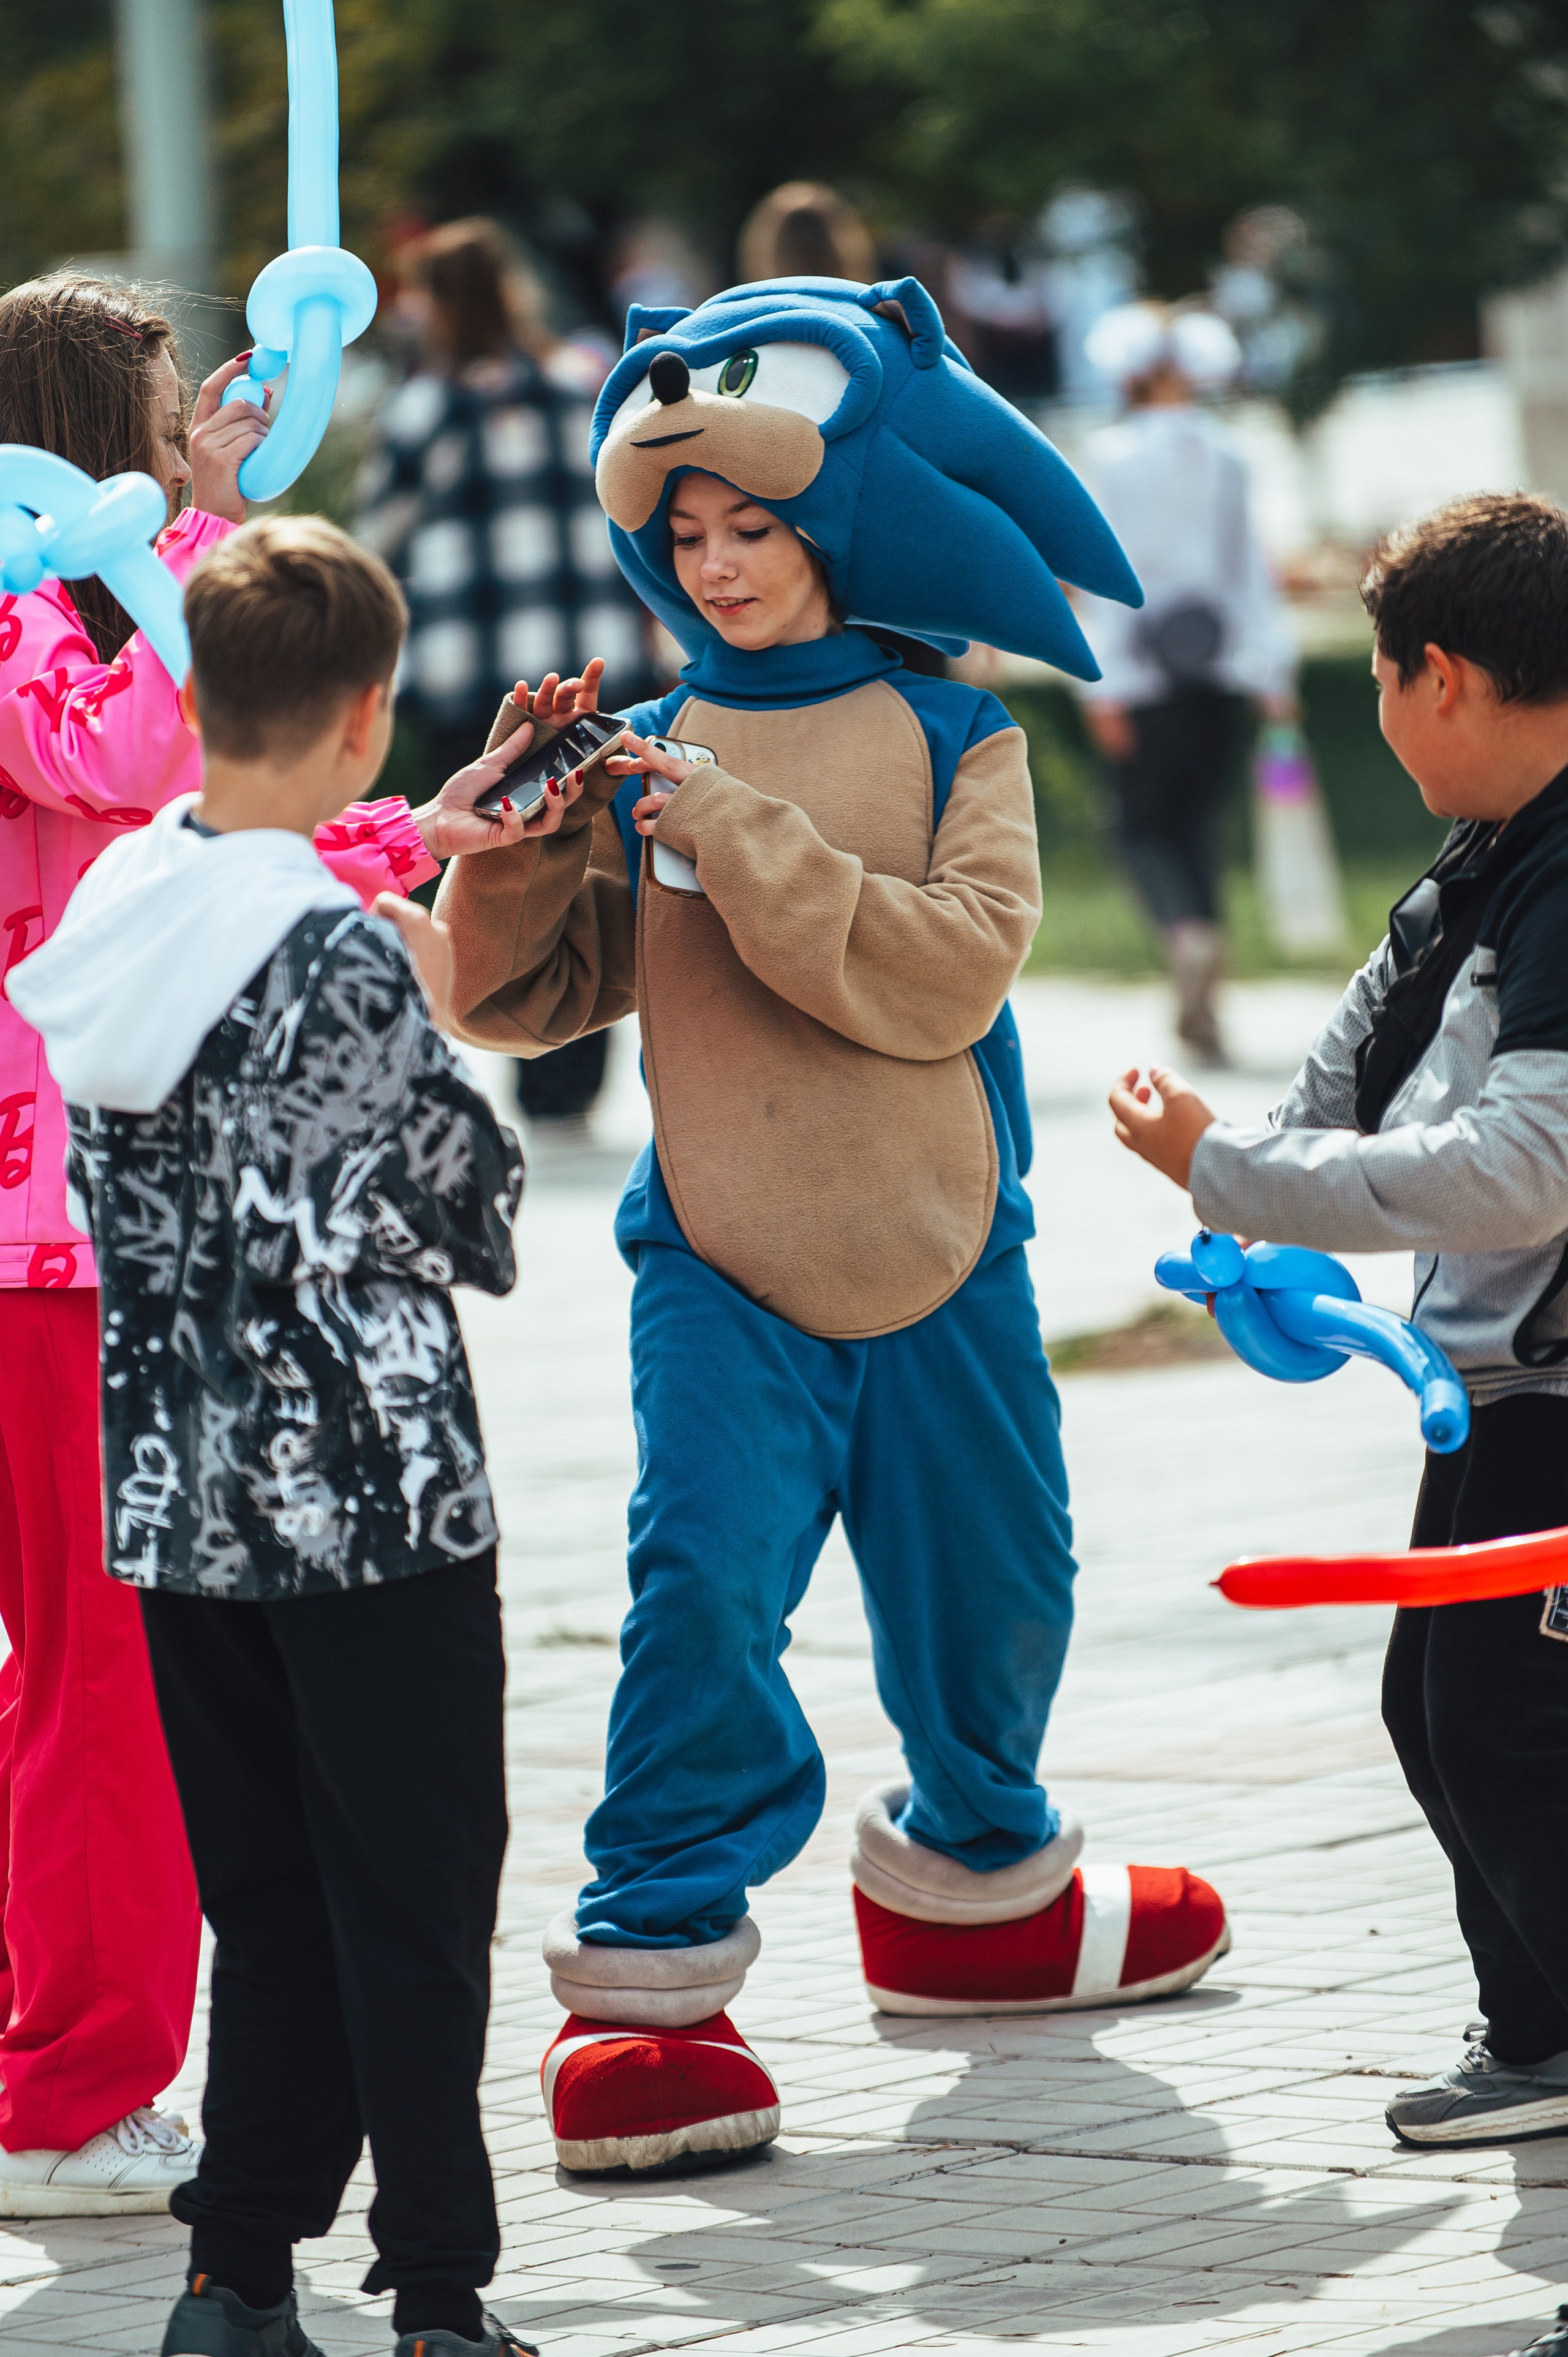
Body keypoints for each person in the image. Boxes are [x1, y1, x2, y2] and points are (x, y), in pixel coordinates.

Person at [438, 273, 1229, 2176]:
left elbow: (951, 976)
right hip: (714, 1249)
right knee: (701, 1580)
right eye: (681, 531)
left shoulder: (959, 729)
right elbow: (525, 1005)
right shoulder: (643, 743)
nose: (713, 565)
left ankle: (983, 1889)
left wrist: (727, 825)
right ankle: (646, 1986)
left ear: (839, 512)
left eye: (752, 525)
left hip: (950, 1237)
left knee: (996, 1580)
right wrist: (521, 851)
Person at [0, 271, 507, 2215]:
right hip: (54, 1234)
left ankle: (47, 2042)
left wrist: (417, 831)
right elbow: (143, 760)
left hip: (87, 1227)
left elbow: (221, 841)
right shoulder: (34, 607)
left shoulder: (81, 595)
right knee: (105, 1678)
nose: (189, 415)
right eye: (156, 389)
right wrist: (195, 532)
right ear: (83, 413)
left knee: (69, 1670)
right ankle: (70, 2091)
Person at [1109, 491, 1568, 2151]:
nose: (1370, 720)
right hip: (1498, 1385)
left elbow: (1526, 1174)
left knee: (1501, 1720)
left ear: (1436, 675)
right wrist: (1243, 1210)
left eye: (1373, 683)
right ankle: (1532, 2042)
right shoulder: (1478, 874)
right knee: (1433, 1709)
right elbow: (1345, 1091)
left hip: (1557, 1397)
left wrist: (1227, 1167)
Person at [357, 218, 662, 1133]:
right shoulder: (582, 385)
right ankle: (567, 1089)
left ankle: (492, 1045)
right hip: (595, 661)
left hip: (474, 678)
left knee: (494, 863)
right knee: (590, 859)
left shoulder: (425, 408)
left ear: (436, 305)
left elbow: (379, 546)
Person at [1075, 301, 1297, 1064]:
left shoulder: (1109, 458)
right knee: (1199, 825)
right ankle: (1209, 975)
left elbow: (1101, 575)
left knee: (1141, 826)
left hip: (1140, 675)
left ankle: (1186, 936)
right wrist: (1272, 669)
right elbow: (1250, 573)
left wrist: (1098, 684)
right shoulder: (1228, 454)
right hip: (1220, 669)